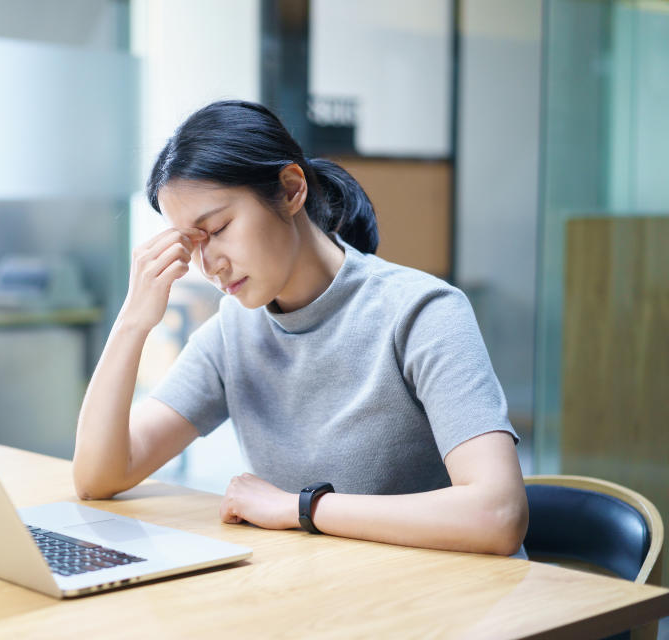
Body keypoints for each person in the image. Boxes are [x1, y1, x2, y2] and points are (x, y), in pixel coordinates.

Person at [72, 100, 528, 556]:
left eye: (219, 228)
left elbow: (497, 514)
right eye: (192, 243)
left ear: (291, 189)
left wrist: (299, 508)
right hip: (323, 595)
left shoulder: (422, 312)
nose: (209, 264)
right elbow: (100, 477)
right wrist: (133, 322)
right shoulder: (235, 330)